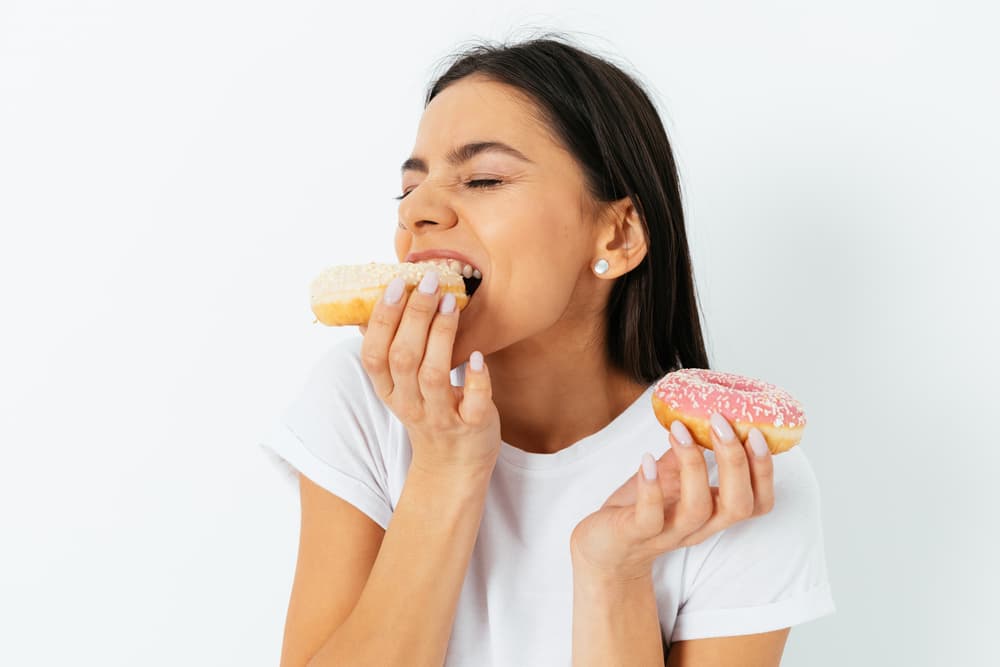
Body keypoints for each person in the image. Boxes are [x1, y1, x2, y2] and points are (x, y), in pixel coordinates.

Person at [259, 33, 835, 666]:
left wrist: (613, 571)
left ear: (617, 235)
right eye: (409, 189)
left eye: (481, 178)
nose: (416, 211)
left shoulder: (734, 472)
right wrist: (446, 468)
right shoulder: (363, 398)